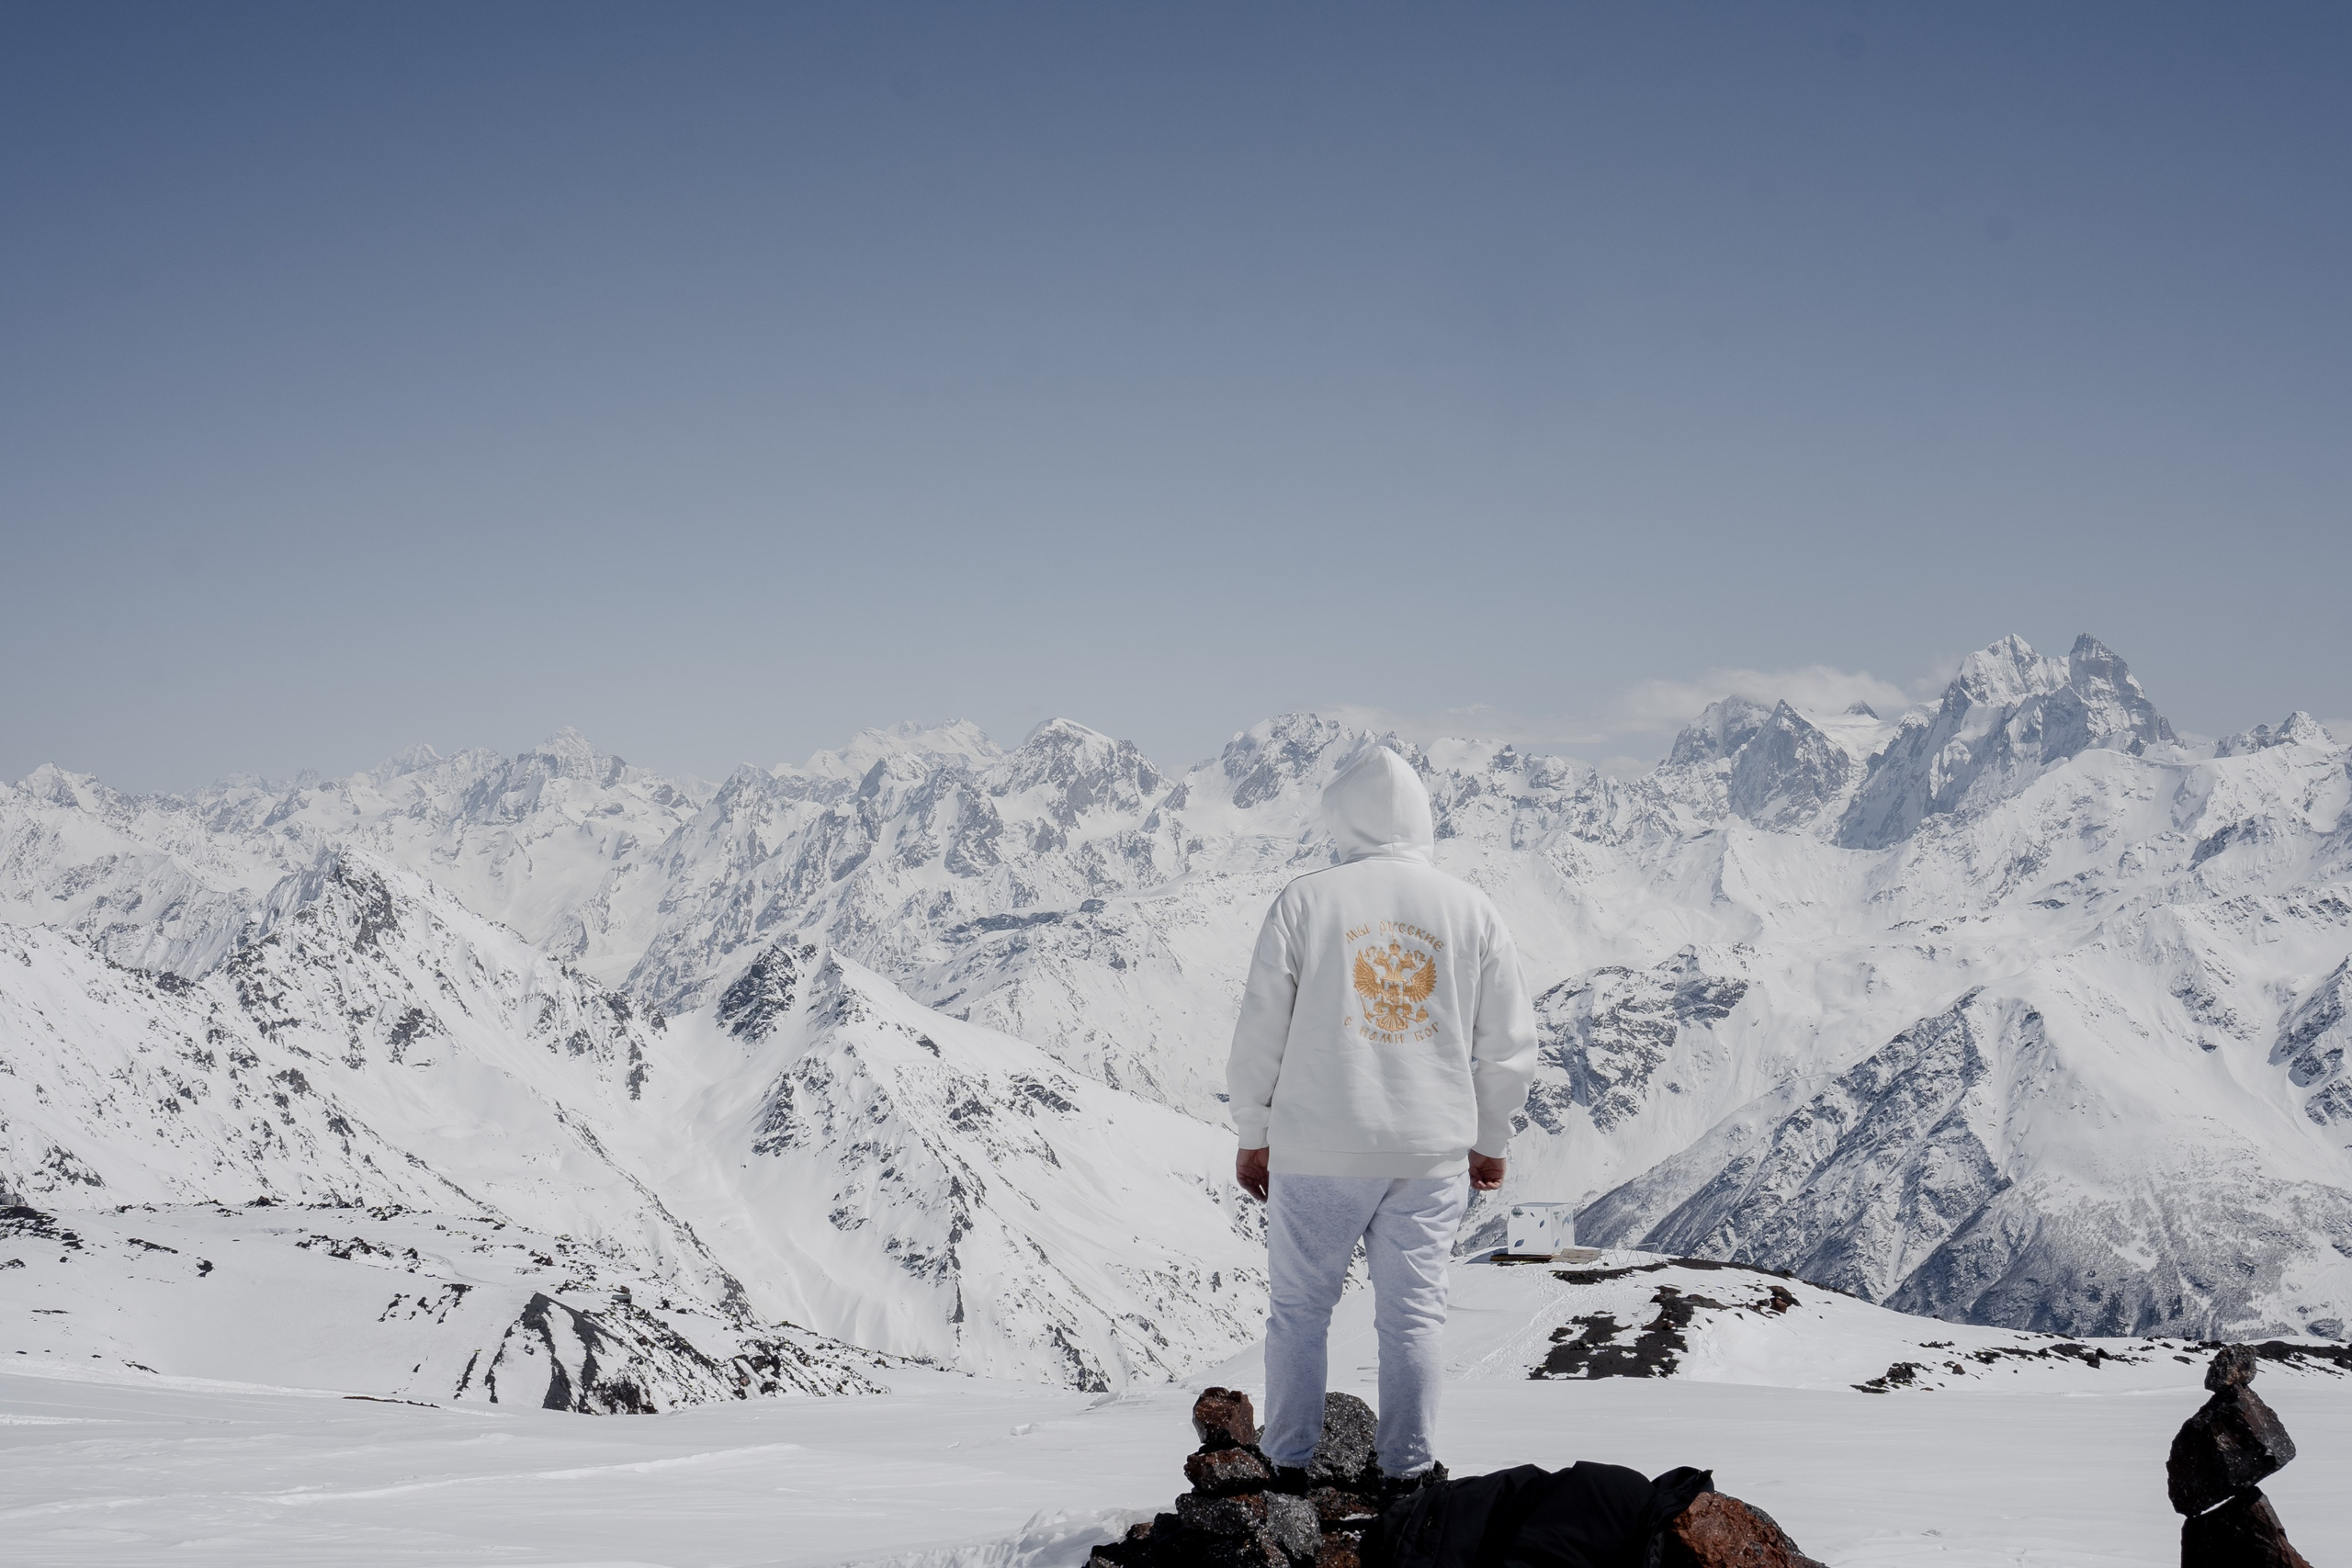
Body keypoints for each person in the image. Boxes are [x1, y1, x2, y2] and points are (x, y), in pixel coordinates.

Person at [1227, 747, 1537, 1495]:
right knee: (1413, 1318)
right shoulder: (1472, 909)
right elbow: (1508, 1046)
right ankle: (1408, 1473)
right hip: (1430, 1152)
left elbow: (1261, 1030)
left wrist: (1252, 1131)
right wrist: (1491, 1140)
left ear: (1341, 814)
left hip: (1318, 1147)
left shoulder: (1306, 900)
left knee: (1300, 1311)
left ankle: (1289, 1463)